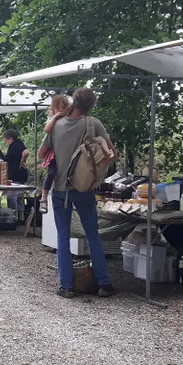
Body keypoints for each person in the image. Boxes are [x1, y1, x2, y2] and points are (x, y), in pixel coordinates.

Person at [38, 87, 117, 299]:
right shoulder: (94, 124)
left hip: (61, 190)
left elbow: (41, 154)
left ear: (74, 101)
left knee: (63, 237)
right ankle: (104, 284)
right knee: (93, 235)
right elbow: (111, 154)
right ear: (91, 106)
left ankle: (67, 286)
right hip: (84, 188)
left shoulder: (56, 125)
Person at [39, 95, 71, 213]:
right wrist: (55, 118)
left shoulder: (69, 121)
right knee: (51, 173)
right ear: (52, 110)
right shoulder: (52, 121)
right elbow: (47, 130)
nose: (60, 110)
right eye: (57, 108)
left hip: (66, 152)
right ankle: (44, 196)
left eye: (63, 107)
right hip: (54, 153)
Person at [3, 129, 30, 222]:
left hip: (16, 174)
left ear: (10, 138)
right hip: (20, 174)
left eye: (6, 139)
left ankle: (13, 217)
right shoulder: (17, 144)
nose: (5, 141)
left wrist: (23, 161)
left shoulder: (16, 145)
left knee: (12, 196)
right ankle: (21, 217)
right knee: (19, 196)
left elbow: (26, 152)